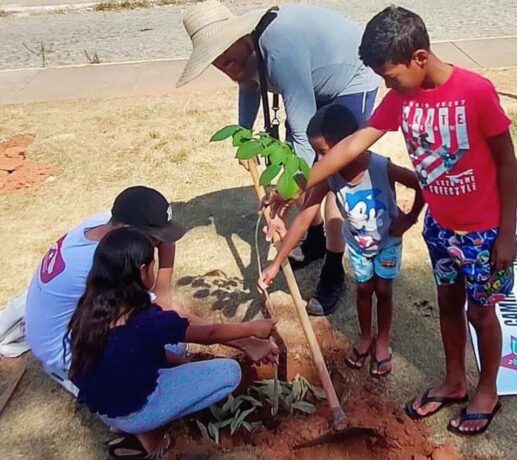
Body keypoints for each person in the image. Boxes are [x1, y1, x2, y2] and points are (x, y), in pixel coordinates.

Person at [268, 6, 516, 435]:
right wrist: (294, 187)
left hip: (485, 232)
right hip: (441, 228)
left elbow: (507, 163)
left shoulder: (475, 91)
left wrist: (508, 232)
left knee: (480, 313)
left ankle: (487, 390)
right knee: (447, 305)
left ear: (419, 57)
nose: (385, 85)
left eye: (389, 75)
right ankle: (455, 381)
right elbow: (347, 149)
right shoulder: (402, 98)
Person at [177, 0, 380, 313]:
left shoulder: (280, 49)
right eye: (218, 63)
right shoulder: (249, 53)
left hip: (350, 83)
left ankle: (334, 268)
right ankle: (313, 240)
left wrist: (283, 197)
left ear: (240, 38)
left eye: (228, 57)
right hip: (313, 83)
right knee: (295, 166)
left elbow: (302, 139)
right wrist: (243, 138)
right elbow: (248, 85)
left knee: (330, 175)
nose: (227, 67)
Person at [26, 186, 277, 397]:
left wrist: (163, 292)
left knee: (171, 344)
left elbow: (166, 238)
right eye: (153, 239)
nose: (159, 244)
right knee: (151, 361)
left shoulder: (111, 228)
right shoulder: (104, 266)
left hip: (74, 319)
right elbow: (183, 326)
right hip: (66, 349)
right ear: (129, 231)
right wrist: (246, 340)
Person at [65, 227, 277, 458]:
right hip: (133, 409)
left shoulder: (91, 308)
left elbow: (141, 347)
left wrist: (181, 362)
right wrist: (253, 329)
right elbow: (210, 334)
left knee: (173, 346)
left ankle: (131, 425)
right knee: (230, 373)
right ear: (143, 270)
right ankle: (151, 437)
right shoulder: (144, 321)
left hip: (105, 406)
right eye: (153, 264)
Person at [259, 104, 424, 376]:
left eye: (323, 152)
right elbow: (303, 219)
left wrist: (410, 218)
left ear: (350, 144)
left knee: (383, 290)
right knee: (363, 290)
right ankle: (364, 338)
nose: (319, 161)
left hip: (387, 244)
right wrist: (276, 263)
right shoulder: (330, 179)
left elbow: (419, 184)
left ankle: (382, 341)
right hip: (359, 247)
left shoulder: (381, 167)